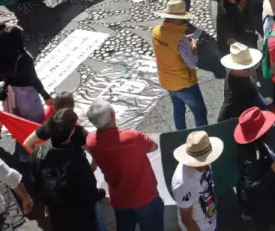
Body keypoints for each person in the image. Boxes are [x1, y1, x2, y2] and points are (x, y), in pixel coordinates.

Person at [86, 98, 164, 231]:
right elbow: (153, 147)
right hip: (145, 198)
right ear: (112, 115)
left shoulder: (91, 141)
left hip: (119, 201)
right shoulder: (133, 136)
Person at [30, 108, 102, 230]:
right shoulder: (77, 159)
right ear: (72, 132)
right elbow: (90, 192)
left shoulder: (39, 152)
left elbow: (37, 182)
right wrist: (100, 194)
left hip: (57, 215)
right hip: (80, 218)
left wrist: (46, 203)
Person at [151, 0, 209, 130]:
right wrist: (193, 46)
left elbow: (168, 45)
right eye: (183, 19)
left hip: (167, 81)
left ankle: (180, 134)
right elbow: (192, 63)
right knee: (200, 112)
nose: (185, 22)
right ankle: (201, 136)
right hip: (184, 83)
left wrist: (184, 40)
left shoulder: (155, 31)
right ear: (176, 19)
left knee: (178, 110)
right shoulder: (180, 41)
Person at [234, 106, 275, 231]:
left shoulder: (256, 146)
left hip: (267, 196)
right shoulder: (250, 158)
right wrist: (272, 171)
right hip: (261, 203)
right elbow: (251, 187)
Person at [171, 129, 225, 231]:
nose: (205, 164)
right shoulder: (182, 183)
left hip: (212, 221)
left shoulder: (205, 157)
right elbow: (186, 219)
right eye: (199, 162)